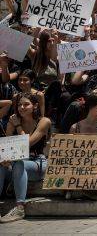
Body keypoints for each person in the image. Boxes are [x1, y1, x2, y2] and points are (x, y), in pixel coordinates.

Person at [0, 93, 52, 222]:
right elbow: (7, 145)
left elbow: (27, 144)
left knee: (19, 164)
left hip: (37, 162)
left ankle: (19, 208)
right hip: (17, 160)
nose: (22, 107)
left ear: (34, 106)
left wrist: (18, 126)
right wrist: (5, 159)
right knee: (2, 164)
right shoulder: (14, 120)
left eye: (26, 104)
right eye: (19, 105)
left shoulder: (44, 121)